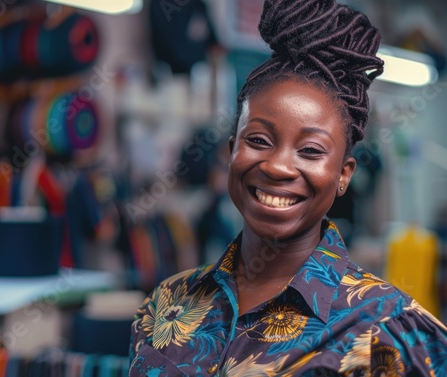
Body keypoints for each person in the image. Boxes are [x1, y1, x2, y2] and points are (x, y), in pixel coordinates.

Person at [129, 0, 447, 375]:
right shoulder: (166, 304)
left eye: (310, 150)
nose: (278, 166)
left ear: (344, 174)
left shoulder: (392, 332)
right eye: (259, 140)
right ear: (231, 152)